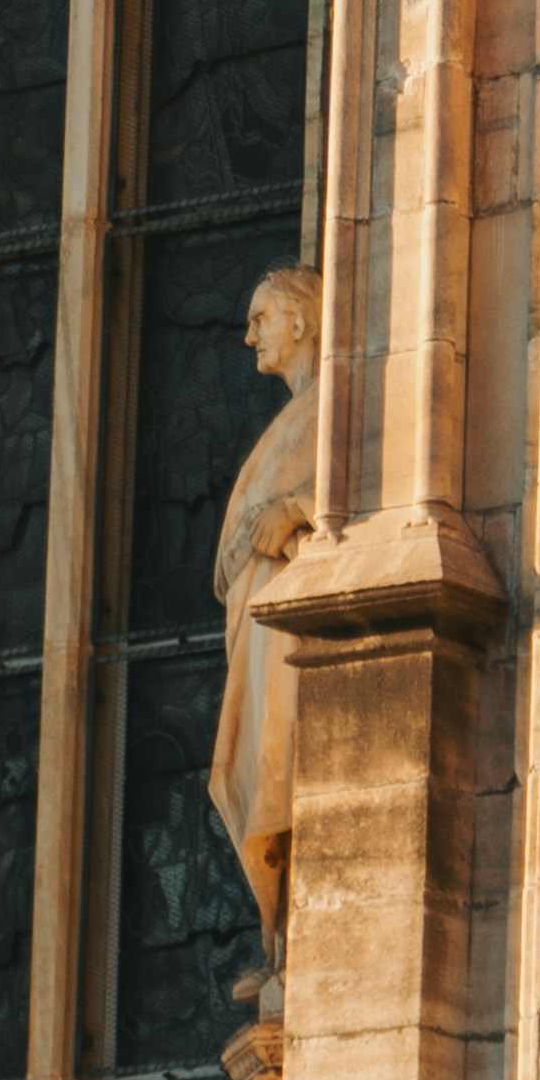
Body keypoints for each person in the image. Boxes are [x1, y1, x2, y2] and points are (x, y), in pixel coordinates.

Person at [209, 266, 322, 949]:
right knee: (255, 770)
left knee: (280, 772)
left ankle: (286, 936)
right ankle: (279, 937)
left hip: (286, 613)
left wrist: (294, 510)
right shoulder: (298, 414)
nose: (250, 336)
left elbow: (374, 486)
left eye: (262, 318)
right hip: (259, 615)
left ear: (302, 320)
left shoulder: (342, 398)